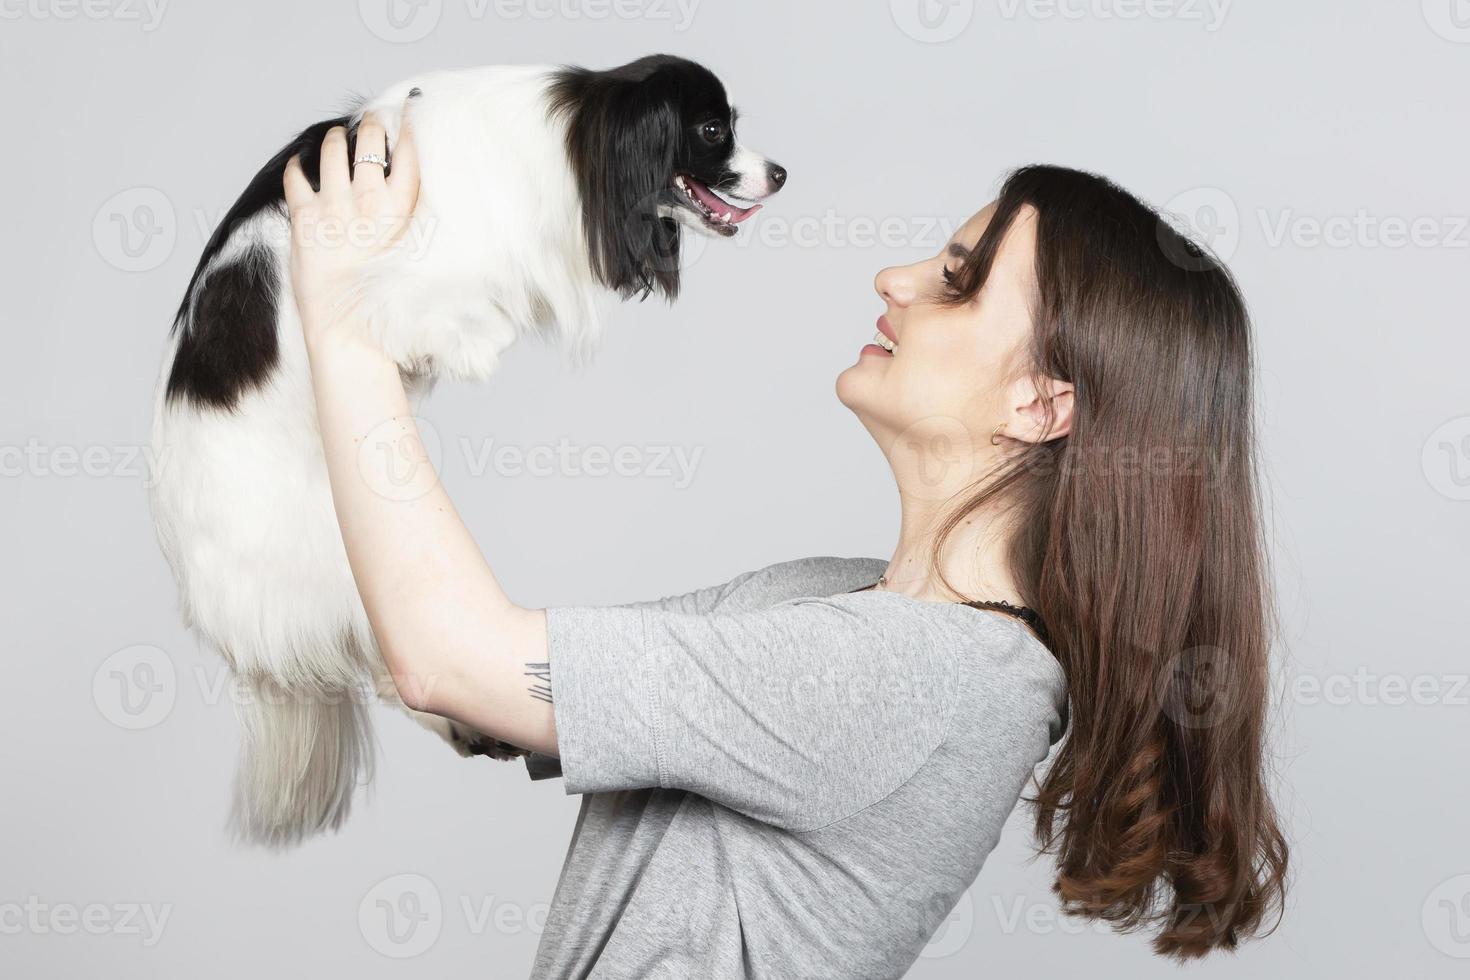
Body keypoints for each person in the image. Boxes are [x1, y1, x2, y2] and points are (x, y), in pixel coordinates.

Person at [282, 107, 1289, 977]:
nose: (894, 279)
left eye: (956, 277)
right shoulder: (836, 605)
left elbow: (455, 661)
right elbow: (491, 698)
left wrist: (351, 324)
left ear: (1041, 402)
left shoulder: (916, 675)